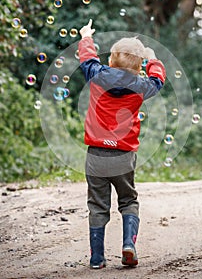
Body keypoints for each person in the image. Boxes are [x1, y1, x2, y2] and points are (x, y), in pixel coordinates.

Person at [78, 19, 166, 269]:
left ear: (110, 62)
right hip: (124, 156)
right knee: (128, 201)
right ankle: (129, 244)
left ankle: (97, 258)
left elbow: (87, 58)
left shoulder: (97, 75)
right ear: (138, 70)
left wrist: (86, 36)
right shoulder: (142, 86)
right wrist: (151, 58)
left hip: (96, 154)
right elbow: (158, 79)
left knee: (97, 204)